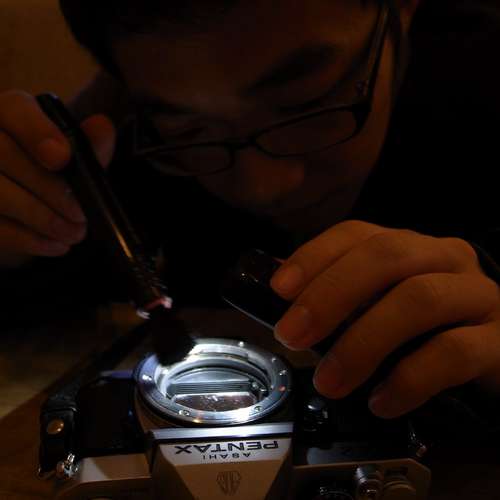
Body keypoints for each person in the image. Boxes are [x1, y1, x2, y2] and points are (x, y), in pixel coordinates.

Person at [2, 0, 500, 422]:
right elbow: (57, 288)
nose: (265, 186)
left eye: (304, 102)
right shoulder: (134, 128)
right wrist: (21, 236)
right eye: (190, 130)